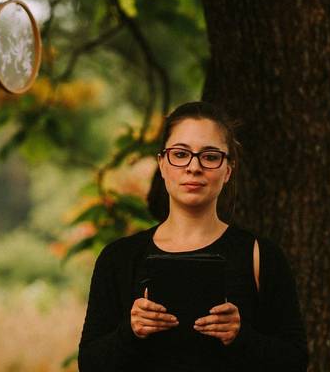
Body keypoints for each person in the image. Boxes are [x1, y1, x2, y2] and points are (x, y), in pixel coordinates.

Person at [79, 101, 308, 372]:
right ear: (162, 165)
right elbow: (90, 364)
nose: (194, 167)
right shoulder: (119, 258)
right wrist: (131, 332)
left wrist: (241, 336)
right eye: (180, 154)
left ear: (228, 170)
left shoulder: (259, 255)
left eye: (210, 156)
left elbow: (295, 361)